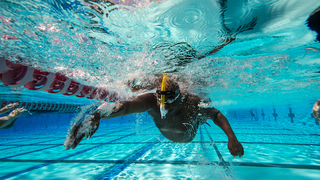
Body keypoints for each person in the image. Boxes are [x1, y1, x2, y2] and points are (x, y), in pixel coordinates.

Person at [64, 75, 244, 158]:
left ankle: (199, 119)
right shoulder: (152, 101)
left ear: (180, 96)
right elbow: (125, 106)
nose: (165, 108)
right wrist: (97, 116)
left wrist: (231, 137)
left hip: (191, 130)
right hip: (178, 129)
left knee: (203, 113)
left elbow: (216, 114)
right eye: (162, 103)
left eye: (171, 103)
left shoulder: (192, 102)